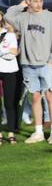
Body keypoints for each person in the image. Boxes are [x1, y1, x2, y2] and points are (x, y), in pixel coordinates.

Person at [5, 0, 52, 145]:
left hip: (46, 64)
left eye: (41, 1)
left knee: (50, 97)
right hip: (28, 65)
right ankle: (38, 132)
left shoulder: (51, 17)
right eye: (35, 1)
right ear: (29, 2)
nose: (39, 4)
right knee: (36, 97)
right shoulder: (23, 18)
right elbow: (9, 15)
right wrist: (21, 5)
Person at [0, 11, 20, 145]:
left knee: (9, 102)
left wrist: (3, 51)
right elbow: (10, 51)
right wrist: (7, 51)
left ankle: (11, 132)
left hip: (10, 71)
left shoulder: (10, 34)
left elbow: (14, 53)